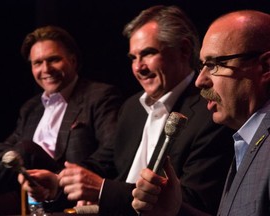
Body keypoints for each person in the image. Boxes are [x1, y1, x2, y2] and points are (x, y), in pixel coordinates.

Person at [19, 5, 235, 216]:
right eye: (133, 58)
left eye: (148, 53)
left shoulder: (212, 113)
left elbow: (193, 202)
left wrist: (103, 189)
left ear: (184, 50)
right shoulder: (131, 108)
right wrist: (58, 183)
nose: (138, 67)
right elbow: (104, 165)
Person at [132, 9, 270, 216]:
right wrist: (174, 210)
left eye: (214, 65)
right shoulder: (247, 138)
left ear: (265, 66)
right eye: (202, 65)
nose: (200, 81)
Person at [0, 25, 122, 215]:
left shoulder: (99, 96)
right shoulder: (31, 108)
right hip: (31, 198)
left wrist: (66, 177)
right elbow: (5, 152)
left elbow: (112, 149)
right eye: (37, 63)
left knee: (25, 150)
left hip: (67, 187)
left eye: (53, 60)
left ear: (72, 60)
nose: (46, 69)